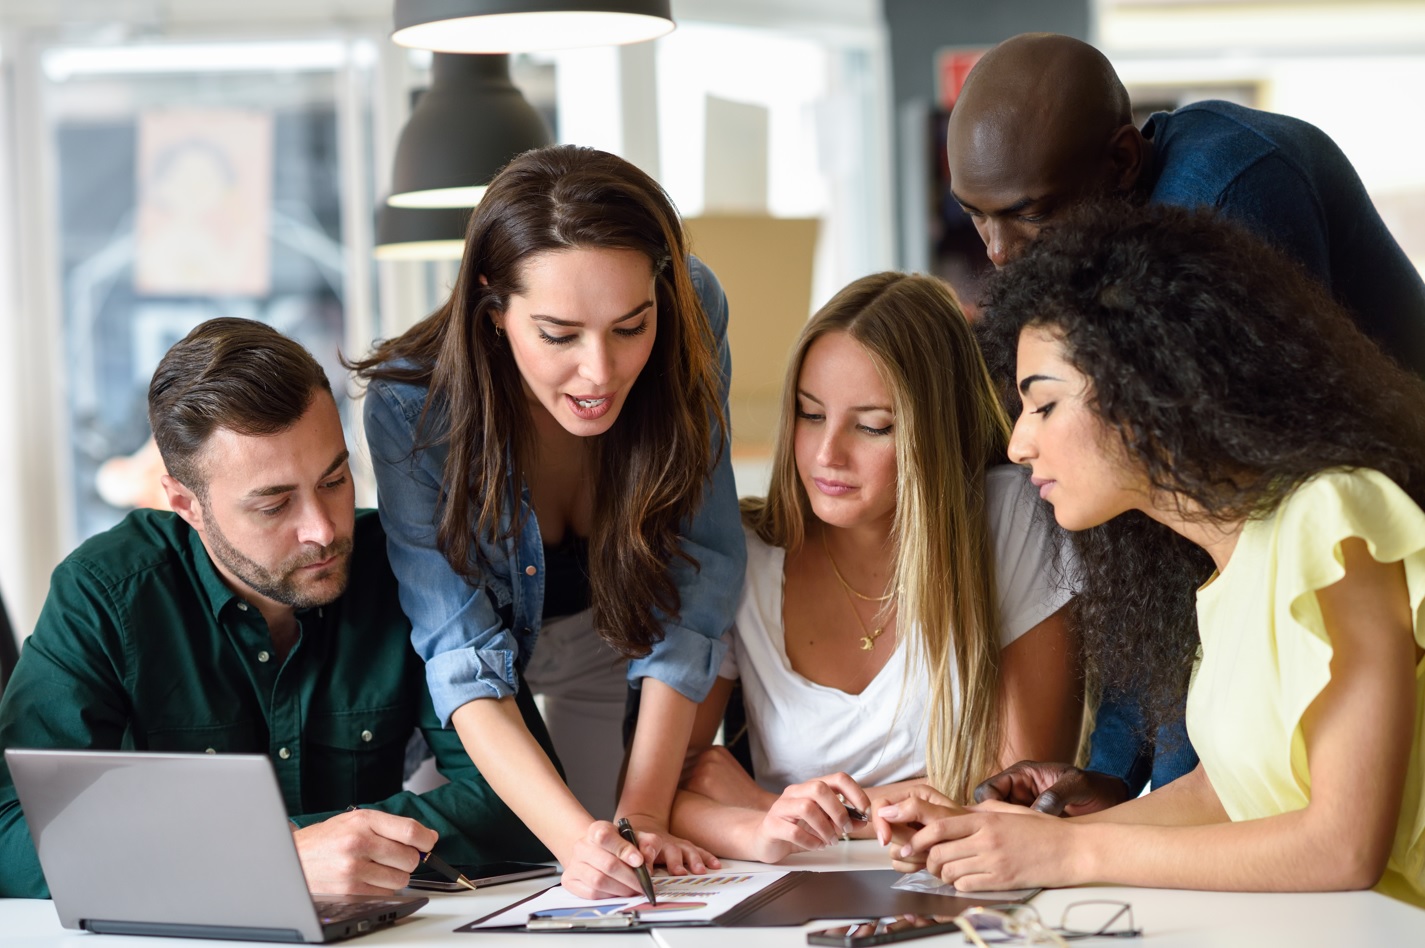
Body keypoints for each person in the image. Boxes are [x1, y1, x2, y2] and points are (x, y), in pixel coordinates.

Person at [874, 203, 1425, 906]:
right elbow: (1228, 793)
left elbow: (1342, 846)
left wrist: (1068, 849)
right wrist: (993, 833)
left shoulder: (1331, 520)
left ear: (1148, 386)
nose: (1016, 444)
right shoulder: (1223, 565)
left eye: (1042, 405)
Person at [944, 31, 1425, 809]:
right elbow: (1150, 538)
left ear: (1124, 163)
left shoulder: (1226, 202)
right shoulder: (1104, 251)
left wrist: (1146, 802)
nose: (999, 253)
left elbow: (1203, 548)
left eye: (1028, 214)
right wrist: (1108, 773)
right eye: (974, 217)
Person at [0, 318, 547, 899]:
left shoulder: (403, 571)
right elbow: (13, 834)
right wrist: (265, 858)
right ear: (186, 504)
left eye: (335, 480)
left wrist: (317, 850)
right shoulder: (104, 594)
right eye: (274, 504)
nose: (323, 529)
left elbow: (524, 806)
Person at [351, 145, 745, 900]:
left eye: (631, 326)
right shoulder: (412, 404)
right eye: (559, 335)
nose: (599, 372)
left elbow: (700, 570)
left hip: (620, 631)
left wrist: (642, 814)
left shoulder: (694, 309)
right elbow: (462, 657)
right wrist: (577, 844)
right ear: (493, 308)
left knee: (632, 869)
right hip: (483, 682)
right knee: (509, 875)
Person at [668, 272, 1080, 863]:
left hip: (962, 882)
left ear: (934, 433)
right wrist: (759, 827)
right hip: (791, 891)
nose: (826, 454)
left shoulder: (1011, 518)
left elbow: (1018, 791)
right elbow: (668, 794)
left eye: (872, 426)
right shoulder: (745, 554)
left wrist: (768, 805)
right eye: (811, 415)